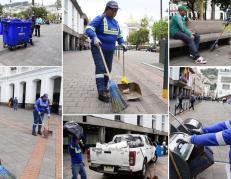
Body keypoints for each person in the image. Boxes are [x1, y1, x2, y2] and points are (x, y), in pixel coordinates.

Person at [85, 1, 127, 103]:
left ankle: (105, 87)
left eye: (116, 11)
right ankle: (101, 92)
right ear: (107, 9)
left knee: (108, 69)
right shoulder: (100, 18)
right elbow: (88, 29)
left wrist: (122, 43)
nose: (114, 13)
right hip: (98, 47)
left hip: (110, 50)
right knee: (100, 68)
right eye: (113, 10)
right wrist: (94, 37)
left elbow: (119, 36)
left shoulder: (116, 23)